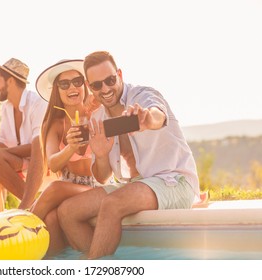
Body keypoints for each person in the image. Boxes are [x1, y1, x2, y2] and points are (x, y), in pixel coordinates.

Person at [58, 51, 200, 259]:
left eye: (110, 80)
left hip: (174, 180)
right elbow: (102, 177)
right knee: (67, 212)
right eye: (97, 85)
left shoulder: (142, 96)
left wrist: (146, 119)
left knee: (112, 204)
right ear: (89, 86)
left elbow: (157, 115)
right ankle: (102, 263)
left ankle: (92, 265)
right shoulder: (98, 118)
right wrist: (102, 154)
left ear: (120, 75)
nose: (105, 89)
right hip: (135, 184)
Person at [30, 59, 100, 255]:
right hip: (68, 187)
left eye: (77, 81)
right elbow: (52, 162)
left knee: (55, 188)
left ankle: (22, 227)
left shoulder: (98, 114)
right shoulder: (55, 124)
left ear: (84, 85)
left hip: (97, 185)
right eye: (64, 84)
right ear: (57, 91)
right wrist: (71, 147)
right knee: (51, 219)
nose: (72, 87)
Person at [0, 58, 47, 210]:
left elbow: (37, 147)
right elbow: (6, 146)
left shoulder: (38, 103)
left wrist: (3, 151)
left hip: (42, 160)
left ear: (10, 81)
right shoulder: (6, 108)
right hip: (22, 162)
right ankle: (32, 205)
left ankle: (26, 206)